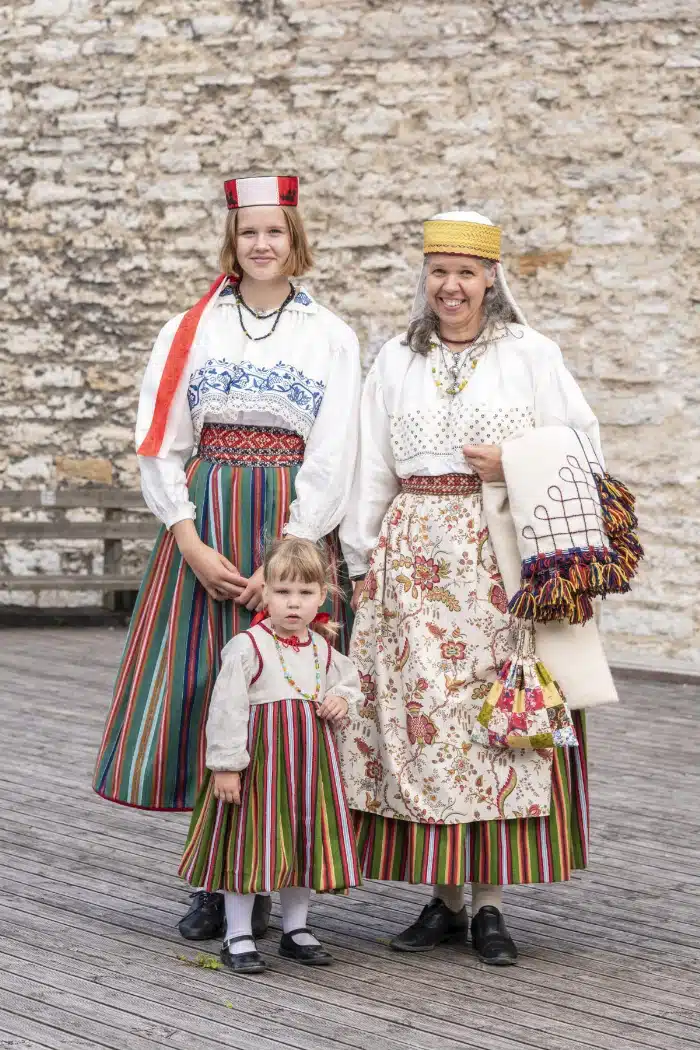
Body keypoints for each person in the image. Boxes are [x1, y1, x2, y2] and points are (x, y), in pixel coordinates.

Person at [93, 174, 361, 943]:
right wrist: (186, 535)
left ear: (296, 239)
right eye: (249, 232)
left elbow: (335, 449)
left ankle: (274, 872)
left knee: (283, 705)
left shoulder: (330, 336)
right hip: (207, 527)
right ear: (231, 241)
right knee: (209, 697)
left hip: (289, 535)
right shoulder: (189, 329)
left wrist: (293, 553)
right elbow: (162, 440)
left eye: (276, 231)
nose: (263, 244)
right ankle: (216, 881)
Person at [338, 210, 609, 966]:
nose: (451, 285)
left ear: (492, 276)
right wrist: (363, 565)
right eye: (438, 271)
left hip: (499, 559)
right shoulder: (394, 358)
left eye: (465, 272)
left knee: (497, 723)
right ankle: (443, 899)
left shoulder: (530, 353)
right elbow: (372, 467)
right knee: (426, 725)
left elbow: (585, 444)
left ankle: (489, 905)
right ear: (423, 278)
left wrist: (513, 462)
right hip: (413, 561)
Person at [179, 536, 362, 974]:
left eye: (304, 593)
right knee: (249, 846)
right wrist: (226, 766)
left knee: (303, 844)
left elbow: (351, 682)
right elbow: (227, 707)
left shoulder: (321, 649)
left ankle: (296, 928)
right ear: (267, 593)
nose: (293, 604)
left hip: (308, 771)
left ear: (322, 596)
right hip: (261, 768)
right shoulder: (249, 645)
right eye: (282, 592)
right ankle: (238, 932)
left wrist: (341, 697)